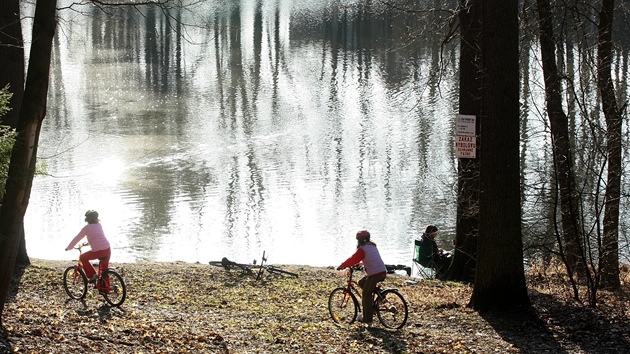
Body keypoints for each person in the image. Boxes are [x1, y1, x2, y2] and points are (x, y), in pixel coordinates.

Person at [337, 230, 387, 326]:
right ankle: (377, 295)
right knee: (361, 282)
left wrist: (342, 266)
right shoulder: (372, 246)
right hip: (382, 272)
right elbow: (370, 259)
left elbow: (353, 258)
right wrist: (360, 264)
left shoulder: (362, 249)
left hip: (374, 274)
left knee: (365, 295)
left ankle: (367, 319)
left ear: (359, 240)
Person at [65, 210, 111, 283]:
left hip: (98, 251)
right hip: (107, 249)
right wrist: (88, 243)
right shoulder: (99, 225)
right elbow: (97, 237)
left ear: (87, 219)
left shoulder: (86, 228)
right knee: (104, 270)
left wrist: (69, 247)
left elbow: (77, 238)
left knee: (82, 257)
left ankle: (92, 275)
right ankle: (105, 289)